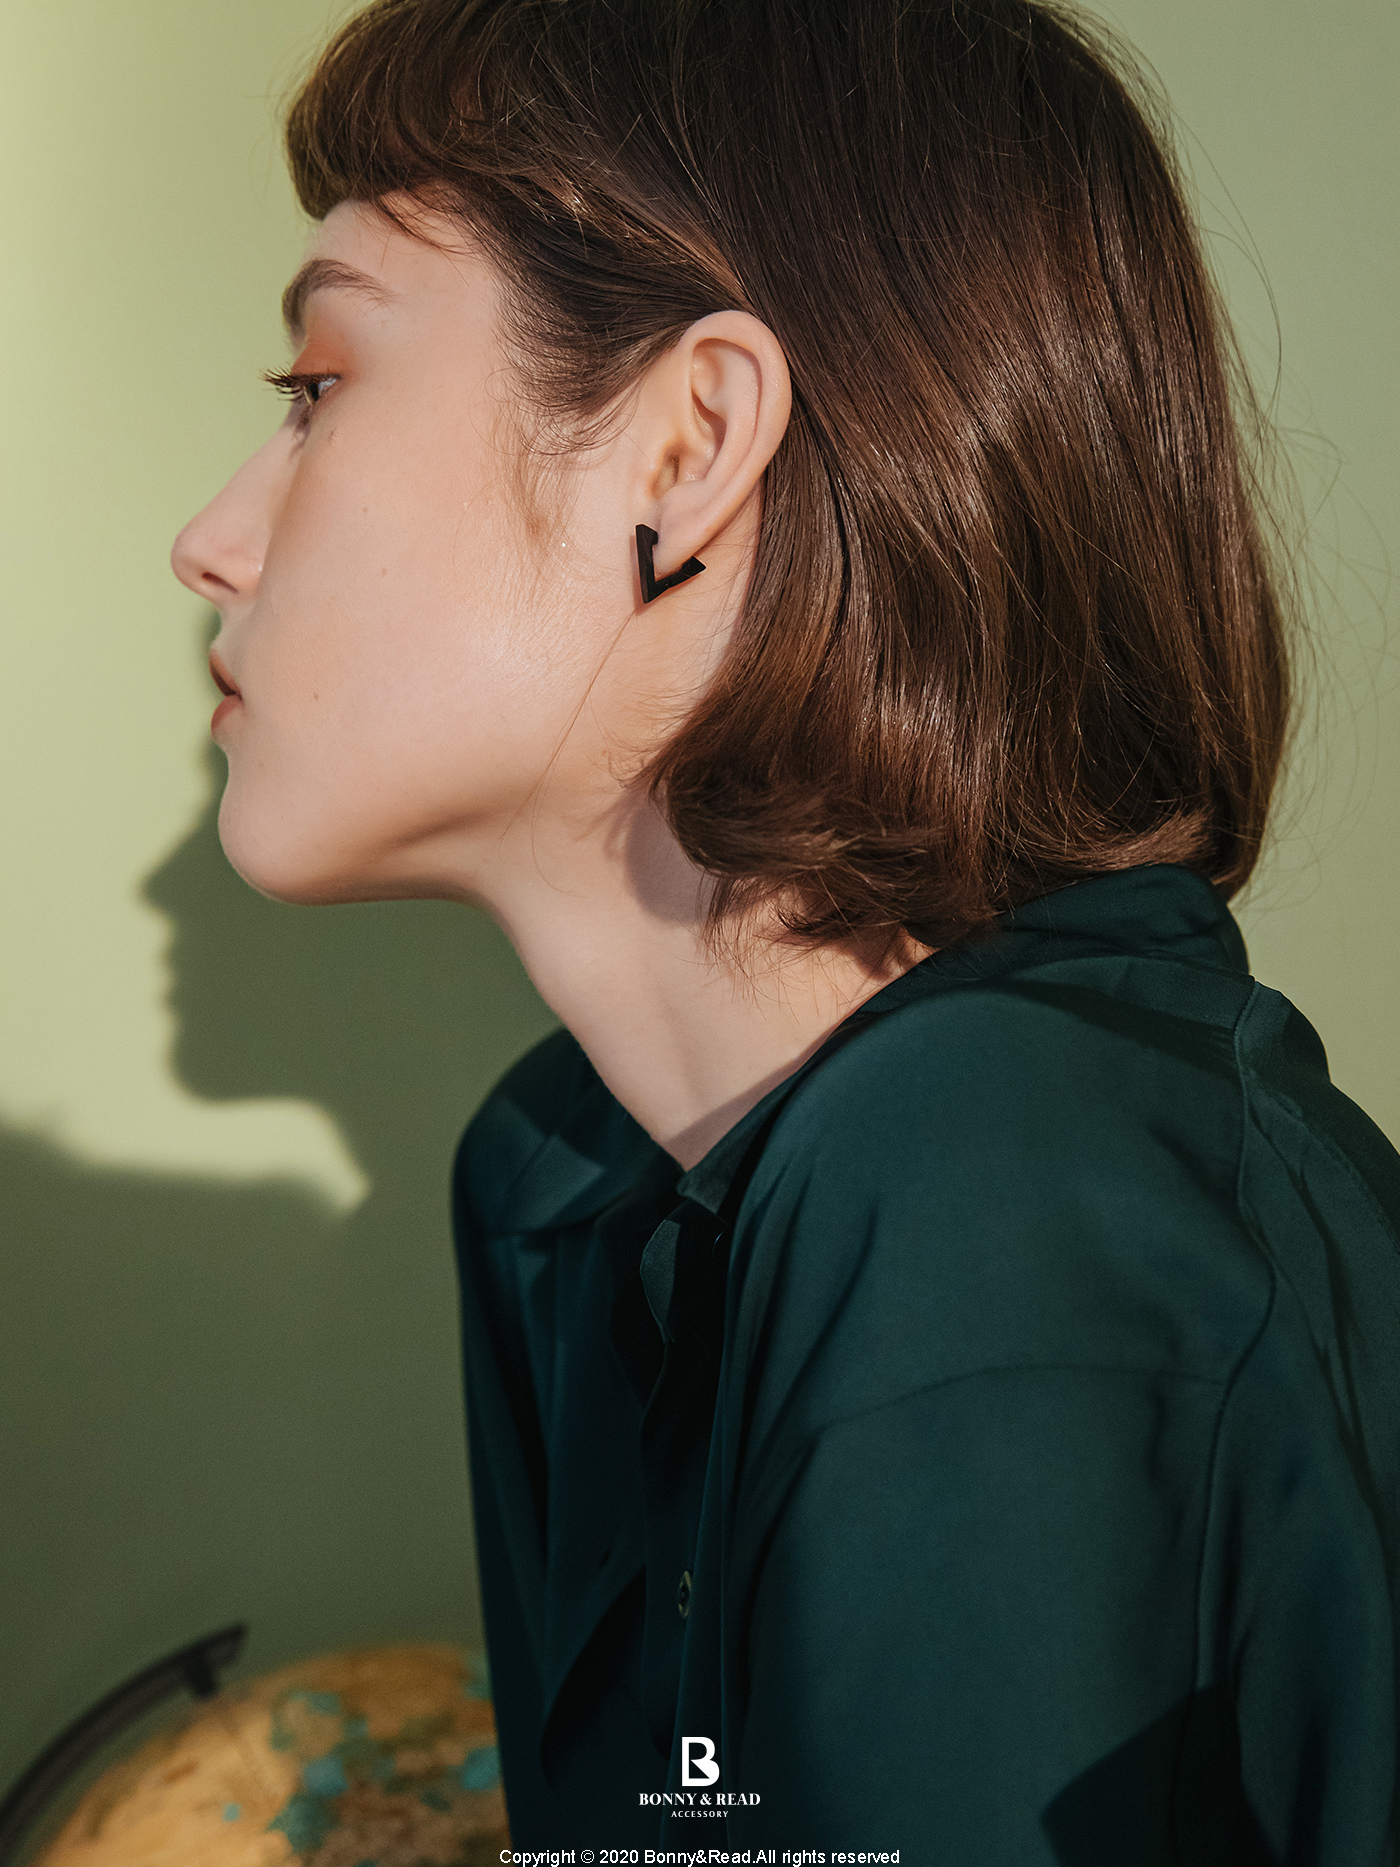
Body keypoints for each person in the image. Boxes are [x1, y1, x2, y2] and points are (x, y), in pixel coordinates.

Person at [169, 0, 1400, 1856]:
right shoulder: (566, 1190)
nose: (210, 538)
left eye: (317, 386)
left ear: (687, 448)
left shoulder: (1000, 1199)